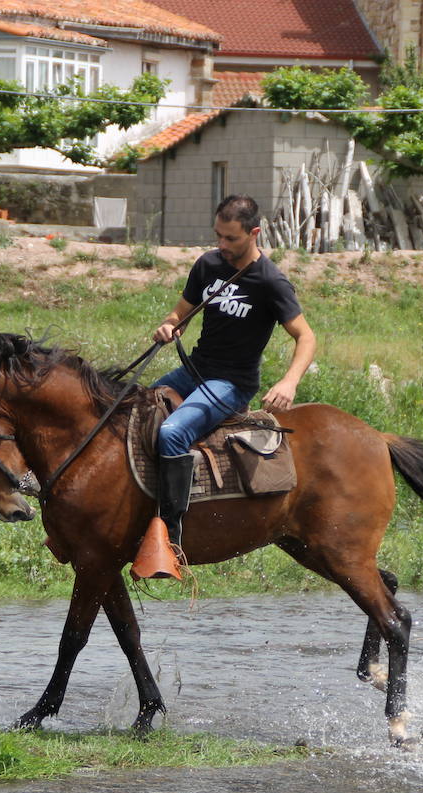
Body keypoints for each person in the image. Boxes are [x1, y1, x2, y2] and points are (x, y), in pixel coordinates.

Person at [148, 194, 316, 557]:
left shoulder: (270, 281)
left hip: (231, 384)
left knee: (172, 432)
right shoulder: (208, 265)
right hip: (192, 371)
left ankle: (170, 536)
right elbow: (179, 313)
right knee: (129, 411)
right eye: (218, 236)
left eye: (231, 239)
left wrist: (289, 382)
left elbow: (306, 336)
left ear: (254, 233)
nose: (221, 245)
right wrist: (168, 326)